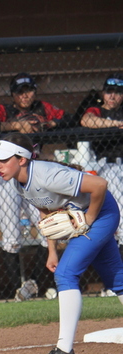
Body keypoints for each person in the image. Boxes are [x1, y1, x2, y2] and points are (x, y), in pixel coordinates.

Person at [0, 133, 123, 354]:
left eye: (4, 159)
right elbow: (46, 213)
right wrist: (52, 251)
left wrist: (89, 219)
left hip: (101, 213)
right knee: (117, 279)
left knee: (66, 274)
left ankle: (65, 352)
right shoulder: (19, 182)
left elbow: (100, 185)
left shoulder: (47, 174)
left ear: (22, 159)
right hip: (85, 216)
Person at [0, 73, 66, 301]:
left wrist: (48, 123)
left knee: (47, 231)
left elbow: (69, 118)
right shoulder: (3, 110)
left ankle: (32, 284)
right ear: (13, 94)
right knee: (11, 237)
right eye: (20, 92)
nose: (25, 95)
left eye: (28, 90)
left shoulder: (43, 108)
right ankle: (17, 291)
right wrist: (13, 126)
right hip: (4, 176)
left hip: (33, 174)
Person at [81, 73, 123, 247]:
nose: (112, 96)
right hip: (107, 164)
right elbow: (86, 120)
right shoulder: (97, 110)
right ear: (103, 93)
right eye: (109, 92)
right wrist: (115, 125)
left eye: (117, 92)